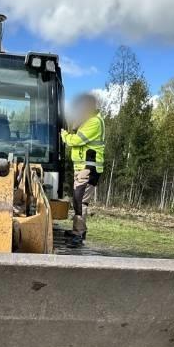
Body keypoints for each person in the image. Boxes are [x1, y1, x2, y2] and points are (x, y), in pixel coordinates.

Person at [60, 94, 105, 247]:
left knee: (81, 202)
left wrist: (64, 135)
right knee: (78, 201)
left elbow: (76, 140)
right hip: (83, 168)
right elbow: (76, 131)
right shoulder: (88, 121)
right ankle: (77, 231)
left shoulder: (94, 122)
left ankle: (78, 235)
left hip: (89, 168)